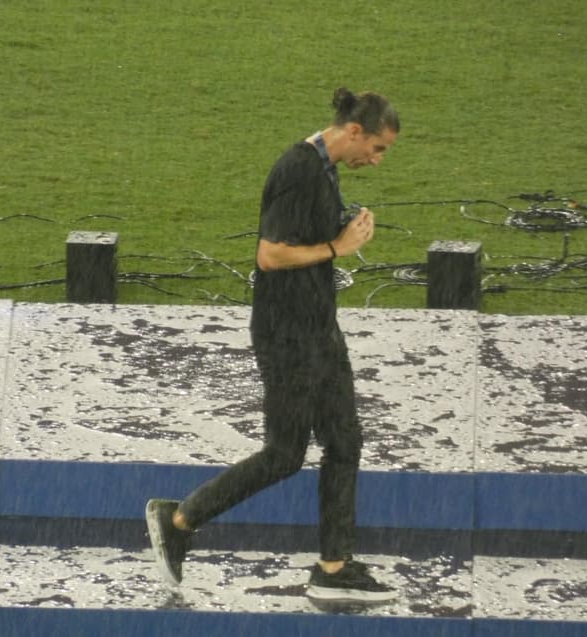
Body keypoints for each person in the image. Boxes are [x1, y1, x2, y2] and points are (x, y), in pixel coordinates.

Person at [146, 87, 400, 603]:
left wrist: (346, 226)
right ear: (355, 131)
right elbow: (270, 256)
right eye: (377, 149)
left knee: (345, 441)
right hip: (288, 335)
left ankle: (333, 566)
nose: (376, 160)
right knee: (285, 454)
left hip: (318, 329)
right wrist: (339, 246)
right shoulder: (298, 169)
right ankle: (179, 519)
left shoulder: (326, 169)